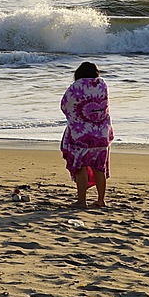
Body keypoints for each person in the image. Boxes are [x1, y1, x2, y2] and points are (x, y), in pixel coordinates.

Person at [61, 61, 114, 208]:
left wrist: (77, 120)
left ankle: (82, 201)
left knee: (81, 166)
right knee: (99, 166)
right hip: (101, 132)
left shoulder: (76, 87)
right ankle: (101, 200)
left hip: (81, 133)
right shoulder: (103, 85)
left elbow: (65, 105)